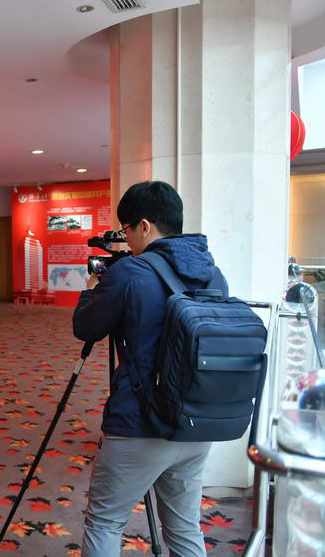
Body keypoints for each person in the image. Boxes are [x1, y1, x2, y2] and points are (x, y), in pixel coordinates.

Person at [73, 181, 227, 557]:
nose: (126, 241)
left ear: (144, 226)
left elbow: (87, 328)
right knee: (185, 527)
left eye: (126, 231)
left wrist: (92, 289)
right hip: (196, 421)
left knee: (106, 522)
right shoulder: (213, 274)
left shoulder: (131, 273)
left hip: (139, 424)